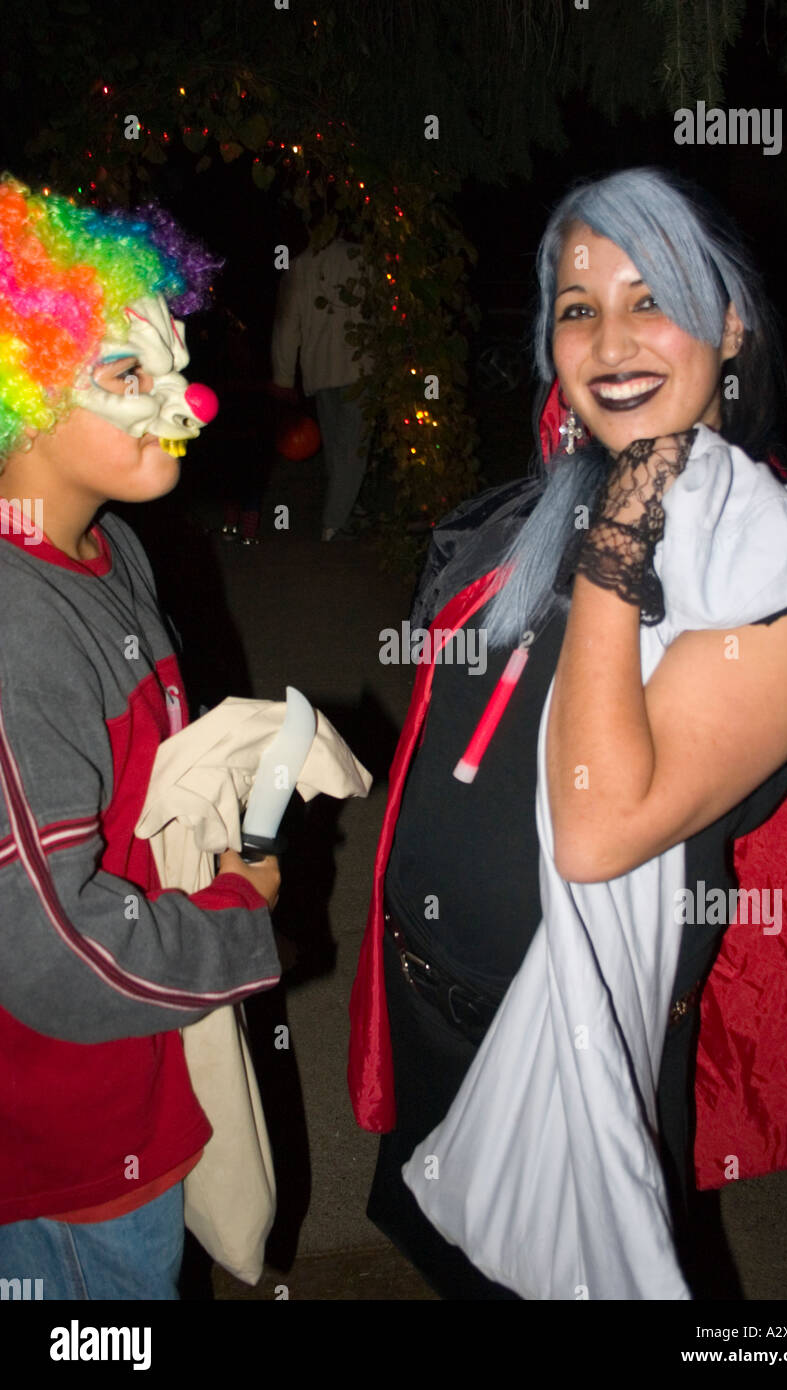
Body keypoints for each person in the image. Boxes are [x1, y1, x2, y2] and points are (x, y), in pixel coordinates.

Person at [349, 166, 787, 1299]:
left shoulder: (785, 577)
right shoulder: (515, 518)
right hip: (428, 1013)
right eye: (577, 307)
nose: (611, 337)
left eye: (653, 297)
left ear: (728, 324)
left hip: (565, 1056)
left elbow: (595, 826)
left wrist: (627, 513)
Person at [0, 176, 282, 1300]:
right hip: (65, 1141)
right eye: (128, 374)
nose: (187, 399)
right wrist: (233, 913)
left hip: (136, 1072)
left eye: (173, 361)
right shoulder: (15, 621)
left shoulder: (112, 547)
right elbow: (49, 942)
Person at [271, 235, 370, 541]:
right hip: (358, 367)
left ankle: (345, 507)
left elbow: (287, 324)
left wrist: (283, 377)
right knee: (353, 448)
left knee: (337, 446)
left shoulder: (300, 264)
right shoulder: (362, 258)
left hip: (320, 370)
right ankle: (334, 523)